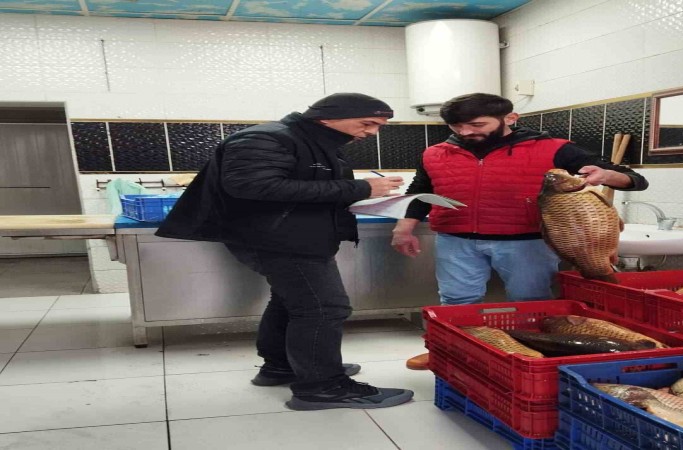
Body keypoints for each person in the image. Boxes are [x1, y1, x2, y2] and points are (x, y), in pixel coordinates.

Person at [156, 93, 414, 410]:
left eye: (378, 126)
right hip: (278, 239)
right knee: (324, 308)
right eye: (367, 123)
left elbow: (301, 186)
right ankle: (321, 387)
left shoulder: (313, 141)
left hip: (296, 236)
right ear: (328, 117)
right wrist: (360, 188)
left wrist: (363, 197)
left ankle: (281, 366)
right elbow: (252, 186)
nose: (372, 132)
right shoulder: (266, 138)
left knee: (292, 302)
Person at [391, 93, 649, 370]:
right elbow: (420, 192)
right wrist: (404, 227)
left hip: (526, 242)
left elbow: (636, 180)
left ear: (510, 118)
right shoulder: (435, 153)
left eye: (477, 125)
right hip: (456, 240)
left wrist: (606, 175)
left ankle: (532, 360)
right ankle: (449, 350)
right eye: (456, 126)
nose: (465, 132)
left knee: (532, 302)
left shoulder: (554, 148)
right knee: (456, 301)